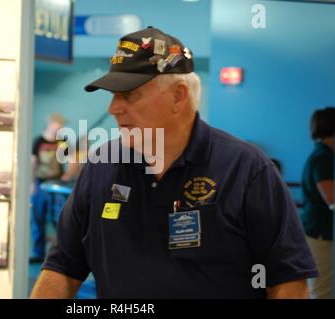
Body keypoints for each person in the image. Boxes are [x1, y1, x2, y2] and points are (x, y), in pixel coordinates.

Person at [31, 27, 318, 298]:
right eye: (113, 95)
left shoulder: (247, 170)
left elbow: (287, 281)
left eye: (128, 94)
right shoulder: (101, 167)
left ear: (178, 96)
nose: (114, 108)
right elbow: (62, 268)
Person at [301, 107, 334, 299]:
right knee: (323, 289)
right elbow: (331, 197)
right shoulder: (324, 158)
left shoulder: (324, 155)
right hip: (320, 232)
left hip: (319, 231)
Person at [30, 113, 69, 263]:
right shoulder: (38, 142)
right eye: (59, 125)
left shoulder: (62, 142)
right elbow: (33, 163)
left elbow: (69, 159)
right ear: (51, 124)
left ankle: (59, 253)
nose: (61, 128)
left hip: (57, 184)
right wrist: (32, 184)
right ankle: (38, 252)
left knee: (59, 219)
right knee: (38, 218)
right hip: (41, 184)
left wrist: (69, 174)